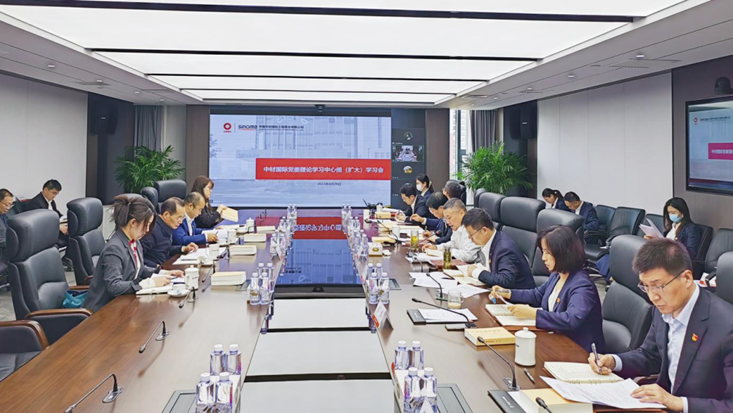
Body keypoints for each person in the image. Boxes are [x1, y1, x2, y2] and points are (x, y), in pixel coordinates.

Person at [589, 239, 733, 412]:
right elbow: (651, 356)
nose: (652, 297)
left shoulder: (727, 328)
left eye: (658, 286)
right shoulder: (662, 308)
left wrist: (678, 403)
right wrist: (613, 362)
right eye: (646, 286)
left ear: (687, 278)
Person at [490, 225, 605, 352]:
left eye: (548, 253)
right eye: (543, 252)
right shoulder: (557, 275)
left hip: (579, 351)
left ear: (563, 253)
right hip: (556, 340)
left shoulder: (583, 286)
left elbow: (571, 319)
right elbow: (537, 295)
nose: (543, 258)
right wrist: (507, 293)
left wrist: (533, 314)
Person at [83, 196, 182, 312]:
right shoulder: (114, 248)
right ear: (133, 223)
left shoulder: (135, 241)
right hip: (103, 311)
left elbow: (138, 269)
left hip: (124, 304)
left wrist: (162, 272)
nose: (147, 230)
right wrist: (149, 283)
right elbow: (114, 286)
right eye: (146, 225)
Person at [462, 208, 534, 289]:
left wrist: (476, 272)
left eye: (471, 234)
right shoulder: (494, 240)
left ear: (484, 230)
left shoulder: (504, 249)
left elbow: (505, 280)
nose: (469, 238)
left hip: (518, 295)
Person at [140, 197, 198, 267]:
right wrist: (156, 266)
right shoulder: (152, 230)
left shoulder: (166, 226)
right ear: (166, 215)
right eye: (178, 217)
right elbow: (138, 257)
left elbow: (165, 249)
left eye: (182, 218)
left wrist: (183, 248)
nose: (181, 221)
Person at [424, 199, 480, 263]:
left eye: (449, 218)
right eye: (446, 218)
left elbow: (468, 256)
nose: (447, 222)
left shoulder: (472, 227)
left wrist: (448, 251)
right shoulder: (457, 226)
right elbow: (453, 243)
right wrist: (436, 248)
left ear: (461, 213)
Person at [0, 189, 13, 271]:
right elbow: (1, 240)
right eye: (7, 205)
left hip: (9, 249)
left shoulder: (7, 213)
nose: (8, 208)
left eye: (11, 205)